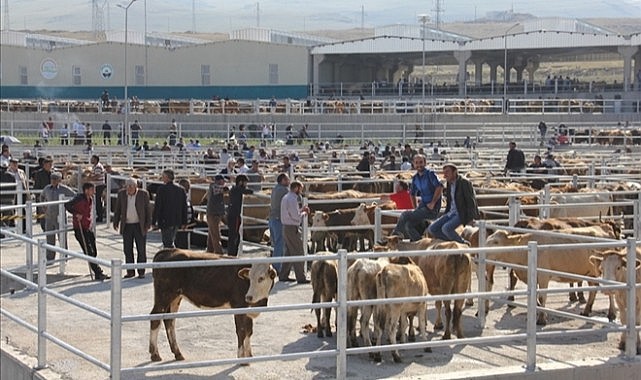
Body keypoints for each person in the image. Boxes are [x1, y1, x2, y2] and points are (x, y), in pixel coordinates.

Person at [391, 154, 443, 242]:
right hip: (423, 207)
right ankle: (419, 243)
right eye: (416, 163)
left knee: (405, 215)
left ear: (425, 163)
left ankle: (396, 234)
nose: (419, 165)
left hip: (432, 208)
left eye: (421, 162)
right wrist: (416, 209)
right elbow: (412, 193)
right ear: (413, 164)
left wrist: (433, 203)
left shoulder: (430, 174)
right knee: (408, 225)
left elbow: (440, 187)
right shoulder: (415, 178)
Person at [65, 183, 110, 281]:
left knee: (93, 250)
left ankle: (96, 269)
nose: (94, 191)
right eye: (92, 189)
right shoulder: (79, 198)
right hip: (80, 227)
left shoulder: (91, 199)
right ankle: (98, 272)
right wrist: (76, 214)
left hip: (87, 226)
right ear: (86, 190)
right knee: (89, 251)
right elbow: (67, 205)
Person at [427, 163, 479, 244]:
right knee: (432, 229)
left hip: (461, 213)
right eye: (444, 173)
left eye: (447, 172)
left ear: (455, 172)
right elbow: (450, 200)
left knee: (446, 228)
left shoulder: (464, 182)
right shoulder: (449, 183)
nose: (445, 175)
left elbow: (470, 201)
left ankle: (463, 244)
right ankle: (453, 242)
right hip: (451, 212)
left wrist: (471, 218)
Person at [113, 178, 152, 279]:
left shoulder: (143, 194)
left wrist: (148, 224)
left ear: (136, 186)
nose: (129, 188)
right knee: (127, 249)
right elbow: (118, 209)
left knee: (141, 249)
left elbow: (148, 210)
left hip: (139, 225)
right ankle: (130, 271)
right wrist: (116, 222)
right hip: (127, 225)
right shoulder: (121, 194)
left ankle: (141, 271)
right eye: (127, 186)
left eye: (131, 186)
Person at [40, 171, 76, 261]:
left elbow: (75, 196)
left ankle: (64, 256)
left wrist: (69, 205)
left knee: (62, 237)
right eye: (52, 179)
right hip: (49, 217)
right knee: (49, 237)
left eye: (55, 179)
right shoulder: (47, 188)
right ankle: (50, 256)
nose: (53, 181)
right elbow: (42, 196)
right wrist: (43, 205)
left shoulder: (64, 189)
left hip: (60, 217)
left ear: (59, 180)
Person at [279, 180, 310, 284]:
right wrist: (304, 213)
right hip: (292, 228)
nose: (301, 191)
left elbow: (292, 213)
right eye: (300, 188)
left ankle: (283, 275)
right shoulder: (292, 199)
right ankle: (301, 277)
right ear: (296, 188)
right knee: (298, 251)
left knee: (288, 252)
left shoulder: (286, 197)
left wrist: (301, 210)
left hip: (286, 227)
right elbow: (296, 217)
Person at [153, 169, 188, 248]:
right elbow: (184, 206)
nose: (162, 178)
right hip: (176, 219)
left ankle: (171, 257)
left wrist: (154, 221)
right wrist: (184, 222)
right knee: (171, 239)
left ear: (167, 177)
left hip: (165, 220)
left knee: (167, 242)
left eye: (163, 177)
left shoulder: (162, 189)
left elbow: (158, 206)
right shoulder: (181, 189)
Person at [226, 174, 254, 256]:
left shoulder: (233, 189)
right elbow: (249, 191)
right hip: (235, 215)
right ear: (241, 182)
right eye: (245, 183)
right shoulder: (238, 189)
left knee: (233, 234)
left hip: (231, 214)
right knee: (234, 234)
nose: (246, 185)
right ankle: (232, 253)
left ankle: (231, 252)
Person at [269, 173, 290, 274]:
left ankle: (275, 264)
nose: (288, 181)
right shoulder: (284, 190)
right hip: (279, 220)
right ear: (282, 180)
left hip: (272, 218)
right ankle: (277, 268)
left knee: (275, 243)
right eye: (287, 180)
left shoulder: (275, 188)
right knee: (279, 244)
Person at [206, 175, 228, 253]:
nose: (224, 182)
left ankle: (210, 250)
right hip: (214, 213)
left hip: (216, 213)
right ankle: (218, 252)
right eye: (223, 181)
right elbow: (225, 190)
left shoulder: (214, 186)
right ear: (218, 181)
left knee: (212, 232)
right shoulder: (214, 187)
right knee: (216, 234)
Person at [32, 157, 54, 230]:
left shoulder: (53, 173)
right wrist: (38, 195)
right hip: (43, 196)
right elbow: (36, 185)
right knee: (43, 213)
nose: (50, 166)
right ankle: (45, 228)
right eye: (49, 164)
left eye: (51, 164)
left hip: (52, 196)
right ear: (44, 165)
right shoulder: (39, 174)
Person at [88, 155, 106, 223]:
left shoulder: (98, 167)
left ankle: (100, 216)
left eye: (92, 159)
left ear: (95, 159)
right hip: (97, 185)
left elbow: (97, 176)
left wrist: (88, 179)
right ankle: (98, 215)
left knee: (98, 201)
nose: (91, 160)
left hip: (99, 185)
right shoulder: (95, 166)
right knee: (97, 201)